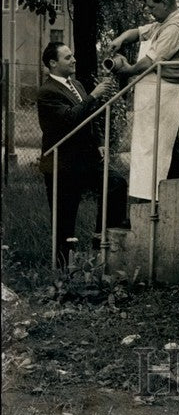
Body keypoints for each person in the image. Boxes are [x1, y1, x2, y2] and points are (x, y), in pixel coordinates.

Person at [37, 43, 128, 266]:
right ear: (53, 63)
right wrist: (94, 95)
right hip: (62, 163)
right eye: (68, 58)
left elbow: (90, 117)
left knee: (116, 184)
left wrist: (98, 142)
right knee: (64, 218)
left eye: (73, 56)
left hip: (86, 158)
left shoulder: (75, 84)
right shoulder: (47, 92)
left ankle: (101, 242)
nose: (74, 60)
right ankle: (62, 269)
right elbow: (70, 118)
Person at [108, 0, 179, 201]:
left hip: (165, 91)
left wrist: (127, 70)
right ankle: (154, 197)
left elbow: (148, 62)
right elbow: (137, 32)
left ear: (165, 3)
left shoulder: (175, 28)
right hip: (152, 91)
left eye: (152, 7)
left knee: (161, 146)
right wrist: (120, 39)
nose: (150, 12)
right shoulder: (161, 24)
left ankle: (162, 196)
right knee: (155, 145)